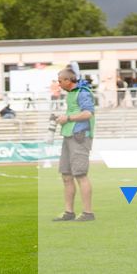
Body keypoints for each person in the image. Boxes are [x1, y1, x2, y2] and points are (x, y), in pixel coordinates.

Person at [49, 65, 96, 222]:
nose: (59, 84)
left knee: (81, 175)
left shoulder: (82, 93)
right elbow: (75, 112)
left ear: (68, 80)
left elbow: (88, 113)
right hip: (69, 135)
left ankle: (88, 213)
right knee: (66, 175)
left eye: (60, 81)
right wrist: (63, 118)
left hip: (79, 137)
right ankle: (69, 212)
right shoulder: (71, 94)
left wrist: (68, 118)